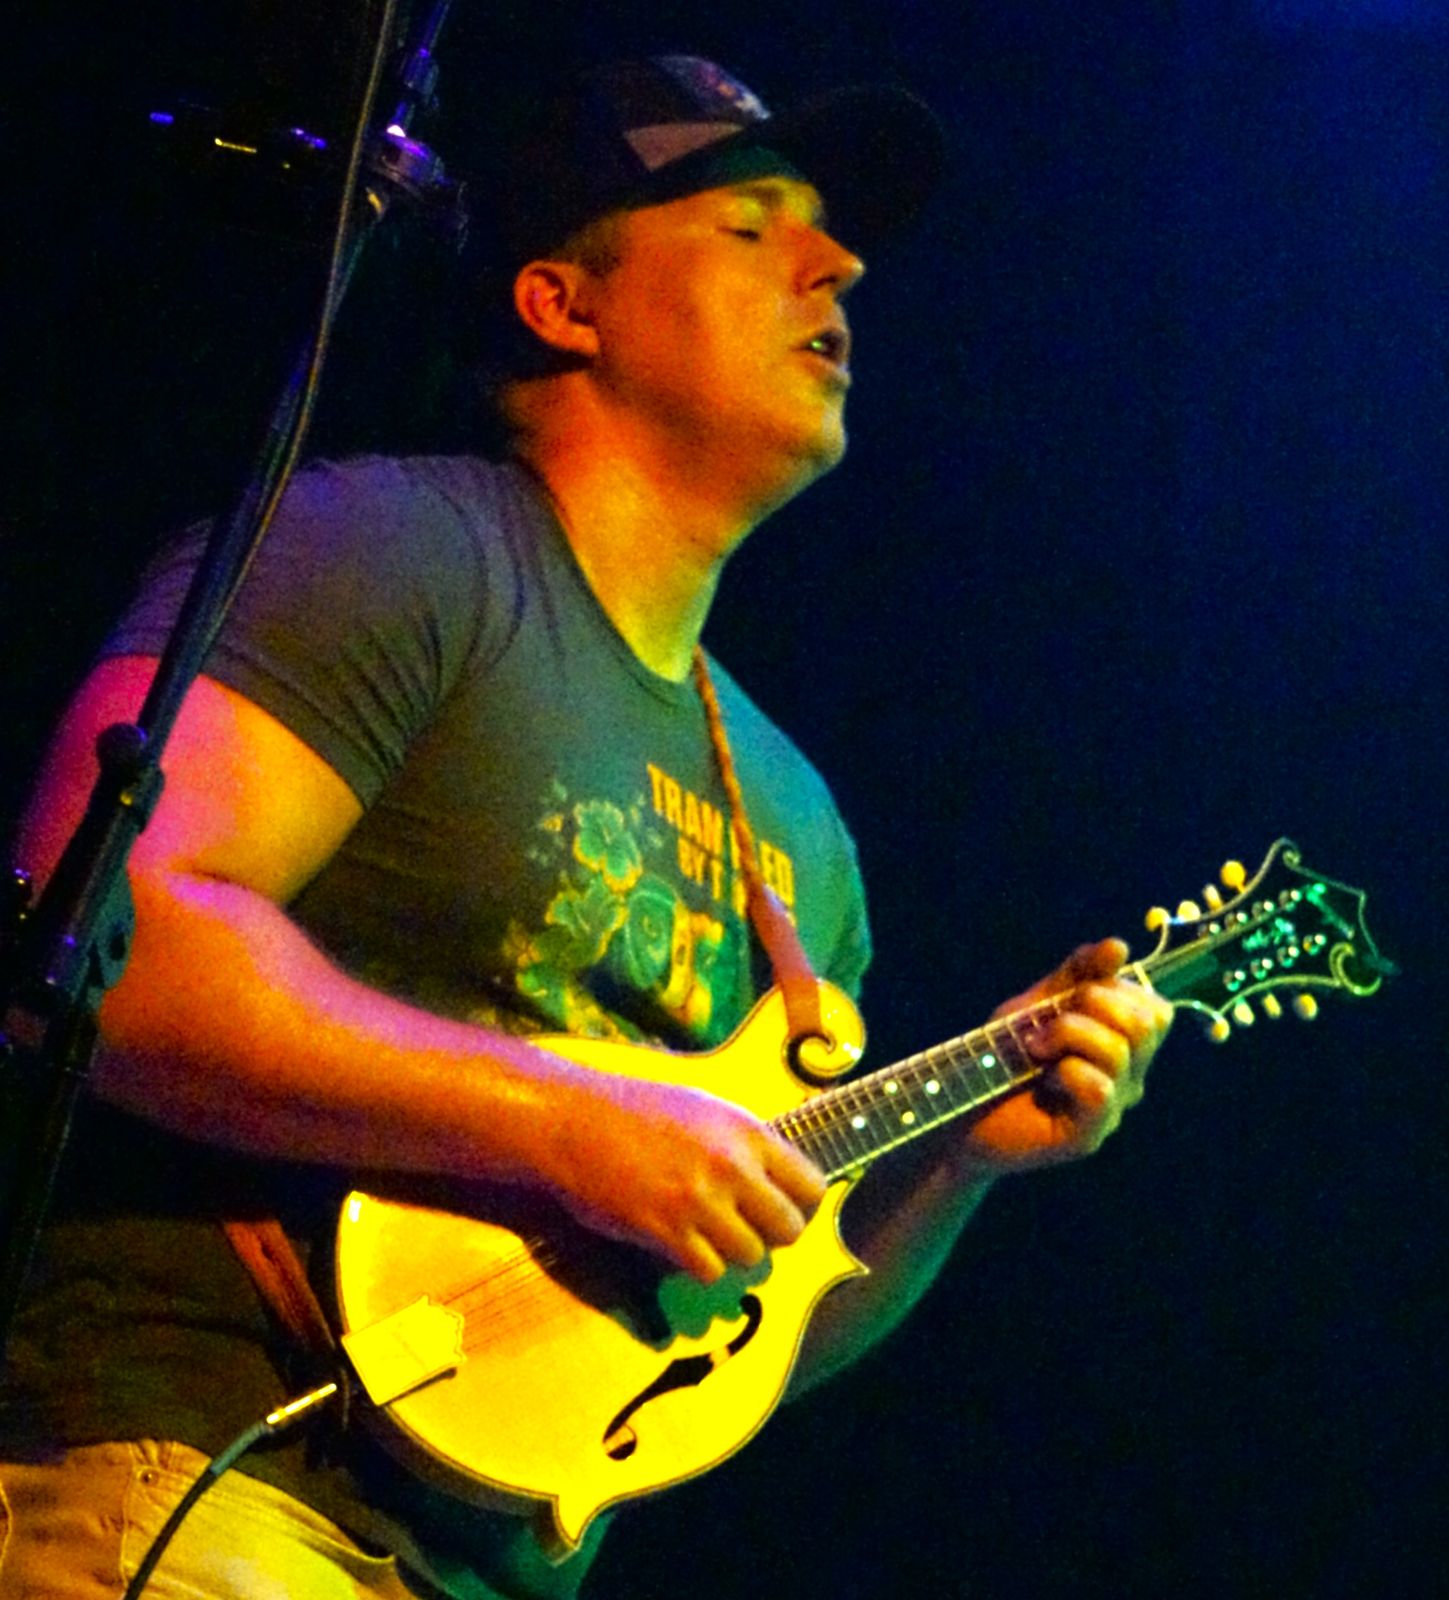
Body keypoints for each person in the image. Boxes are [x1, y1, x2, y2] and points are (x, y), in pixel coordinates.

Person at [0, 53, 1173, 1600]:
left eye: (824, 236)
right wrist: (569, 1123)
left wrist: (954, 1164)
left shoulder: (800, 828)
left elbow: (733, 1331)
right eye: (748, 227)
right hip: (199, 1484)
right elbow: (102, 941)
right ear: (564, 305)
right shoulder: (387, 551)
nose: (836, 265)